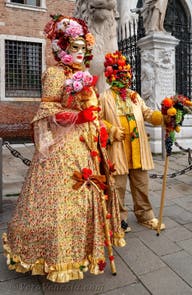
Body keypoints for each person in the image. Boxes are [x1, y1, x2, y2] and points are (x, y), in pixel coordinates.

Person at [2, 16, 125, 283]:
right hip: (63, 147)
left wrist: (108, 129)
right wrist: (76, 117)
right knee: (61, 200)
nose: (80, 53)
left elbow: (93, 114)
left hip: (88, 147)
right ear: (62, 49)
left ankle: (83, 252)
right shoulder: (54, 74)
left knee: (86, 199)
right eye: (74, 48)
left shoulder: (87, 78)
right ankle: (54, 256)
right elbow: (46, 111)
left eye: (83, 48)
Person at [99, 50, 166, 233]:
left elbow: (148, 114)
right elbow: (95, 120)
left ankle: (145, 216)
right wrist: (111, 130)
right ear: (111, 75)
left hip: (138, 150)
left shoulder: (135, 97)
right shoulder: (104, 98)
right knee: (117, 188)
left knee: (142, 185)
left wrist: (164, 116)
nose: (126, 77)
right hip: (117, 151)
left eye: (127, 73)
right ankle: (119, 220)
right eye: (121, 74)